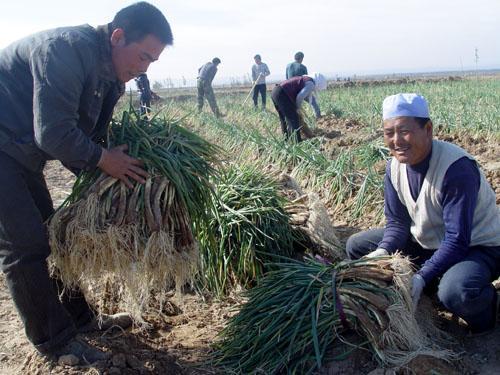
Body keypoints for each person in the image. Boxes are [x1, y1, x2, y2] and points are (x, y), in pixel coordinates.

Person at [0, 1, 172, 364]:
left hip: (18, 150)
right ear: (118, 36)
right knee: (25, 244)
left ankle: (80, 318)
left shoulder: (111, 77)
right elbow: (54, 133)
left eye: (151, 63)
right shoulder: (64, 50)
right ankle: (54, 342)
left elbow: (92, 137)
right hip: (4, 146)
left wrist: (114, 186)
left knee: (50, 233)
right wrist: (103, 161)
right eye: (141, 57)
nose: (142, 69)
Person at [346, 93, 500, 334]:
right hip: (431, 241)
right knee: (358, 246)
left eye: (404, 131)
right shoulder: (394, 167)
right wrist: (381, 252)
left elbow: (457, 240)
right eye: (389, 133)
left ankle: (486, 311)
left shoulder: (456, 168)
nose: (396, 140)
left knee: (455, 292)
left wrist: (421, 276)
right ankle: (431, 282)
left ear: (427, 129)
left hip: (478, 246)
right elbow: (397, 224)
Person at [271, 73, 327, 142]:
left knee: (284, 119)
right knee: (294, 118)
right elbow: (300, 97)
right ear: (319, 83)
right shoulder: (310, 84)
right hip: (283, 93)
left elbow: (307, 97)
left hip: (276, 92)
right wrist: (298, 108)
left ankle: (286, 140)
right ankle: (297, 142)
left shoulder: (305, 80)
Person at [285, 51, 322, 119]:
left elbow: (287, 78)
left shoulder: (288, 66)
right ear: (301, 58)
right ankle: (318, 116)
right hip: (300, 88)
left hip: (290, 89)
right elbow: (306, 79)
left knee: (292, 106)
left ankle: (295, 118)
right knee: (313, 102)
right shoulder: (302, 67)